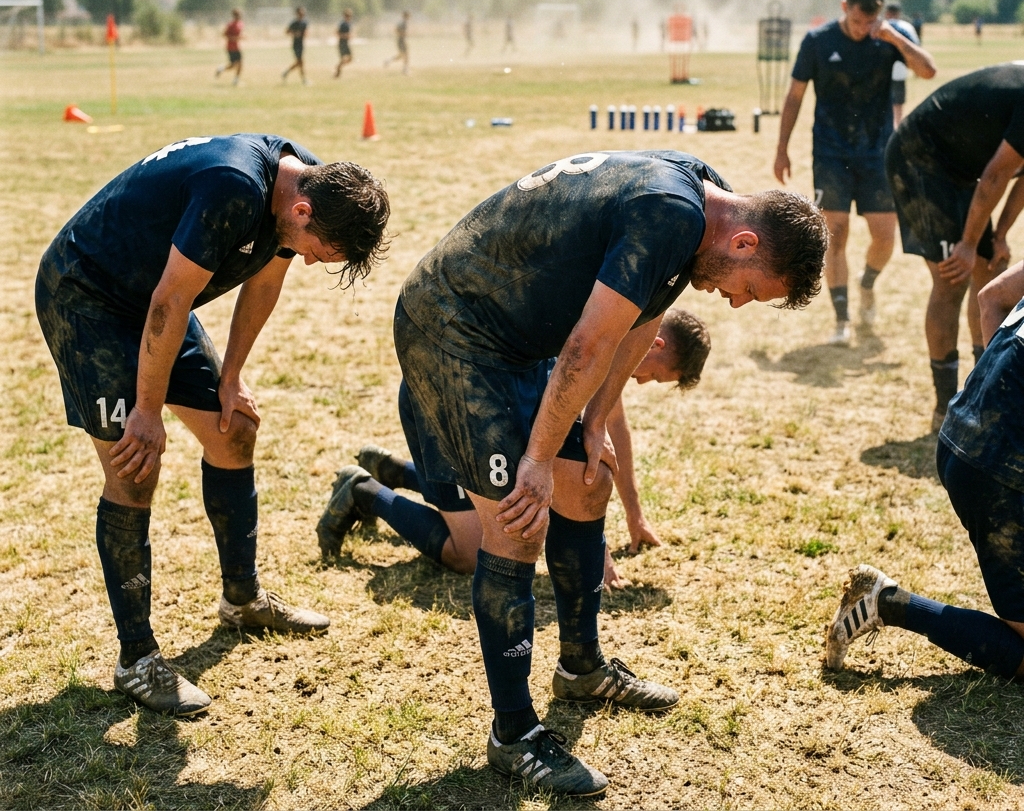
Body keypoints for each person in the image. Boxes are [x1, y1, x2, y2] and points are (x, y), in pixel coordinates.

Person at [320, 149, 828, 796]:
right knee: (516, 524)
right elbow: (587, 344)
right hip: (454, 330)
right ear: (746, 240)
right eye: (750, 288)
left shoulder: (703, 200)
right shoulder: (670, 210)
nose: (734, 303)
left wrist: (595, 422)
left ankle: (582, 668)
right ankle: (513, 735)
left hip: (518, 336)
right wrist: (535, 462)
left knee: (588, 482)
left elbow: (640, 325)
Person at [35, 134, 391, 716]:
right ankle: (137, 659)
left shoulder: (304, 182)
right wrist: (146, 413)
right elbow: (169, 305)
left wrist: (231, 376)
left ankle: (242, 600)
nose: (306, 259)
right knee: (135, 469)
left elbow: (265, 280)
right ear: (301, 212)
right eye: (315, 251)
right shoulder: (235, 186)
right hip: (90, 300)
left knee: (234, 430)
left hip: (154, 301)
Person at [320, 309, 711, 589]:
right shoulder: (592, 342)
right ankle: (364, 491)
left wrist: (634, 516)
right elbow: (570, 470)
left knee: (510, 501)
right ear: (655, 344)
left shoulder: (613, 338)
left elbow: (613, 434)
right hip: (448, 406)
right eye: (656, 375)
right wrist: (597, 554)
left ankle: (403, 473)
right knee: (472, 553)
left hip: (484, 410)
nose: (643, 383)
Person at [825, 259, 1024, 683]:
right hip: (996, 471)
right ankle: (887, 602)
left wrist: (998, 399)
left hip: (963, 429)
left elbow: (992, 298)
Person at [775, 0, 936, 345]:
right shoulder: (818, 42)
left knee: (884, 237)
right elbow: (795, 96)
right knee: (836, 234)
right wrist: (781, 147)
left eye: (870, 22)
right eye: (858, 21)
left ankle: (867, 283)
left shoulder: (887, 40)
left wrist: (895, 38)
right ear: (845, 7)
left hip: (878, 152)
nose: (863, 29)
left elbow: (928, 71)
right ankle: (842, 319)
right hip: (830, 152)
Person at [885, 63, 1024, 430]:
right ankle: (945, 408)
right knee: (952, 277)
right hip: (921, 159)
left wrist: (999, 236)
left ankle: (982, 395)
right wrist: (966, 243)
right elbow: (996, 175)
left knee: (989, 270)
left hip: (965, 169)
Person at [884, 2, 920, 128]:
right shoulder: (906, 27)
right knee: (898, 102)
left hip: (881, 71)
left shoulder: (880, 26)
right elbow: (916, 47)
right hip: (900, 70)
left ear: (887, 13)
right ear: (898, 13)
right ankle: (897, 127)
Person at [215, 9, 243, 85]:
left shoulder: (240, 24)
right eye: (238, 15)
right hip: (230, 47)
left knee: (239, 64)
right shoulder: (230, 25)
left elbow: (239, 34)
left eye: (240, 15)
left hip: (237, 47)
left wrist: (241, 37)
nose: (239, 16)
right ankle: (222, 68)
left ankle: (235, 80)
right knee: (234, 65)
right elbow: (224, 34)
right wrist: (234, 38)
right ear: (234, 16)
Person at [282, 7, 308, 84]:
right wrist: (294, 33)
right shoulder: (294, 23)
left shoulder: (304, 23)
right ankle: (304, 80)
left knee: (299, 62)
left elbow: (305, 32)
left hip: (301, 44)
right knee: (300, 62)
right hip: (296, 44)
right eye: (300, 13)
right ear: (297, 14)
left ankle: (286, 72)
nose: (302, 14)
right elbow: (287, 31)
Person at [333, 8, 354, 79]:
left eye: (350, 15)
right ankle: (337, 73)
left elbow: (349, 34)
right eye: (347, 15)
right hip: (342, 43)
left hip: (346, 43)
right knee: (342, 59)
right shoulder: (342, 24)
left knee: (350, 59)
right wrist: (344, 36)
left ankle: (338, 66)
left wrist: (349, 36)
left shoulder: (349, 24)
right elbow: (337, 33)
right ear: (344, 16)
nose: (349, 17)